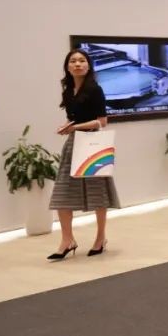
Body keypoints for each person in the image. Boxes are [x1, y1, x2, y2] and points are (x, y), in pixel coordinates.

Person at [48, 48, 120, 260]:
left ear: (88, 65)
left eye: (82, 61)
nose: (77, 64)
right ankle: (67, 240)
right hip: (73, 143)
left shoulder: (95, 89)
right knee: (62, 193)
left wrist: (75, 127)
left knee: (97, 192)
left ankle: (100, 238)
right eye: (73, 61)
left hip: (92, 144)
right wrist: (67, 126)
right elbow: (74, 118)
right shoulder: (68, 90)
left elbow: (102, 121)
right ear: (67, 66)